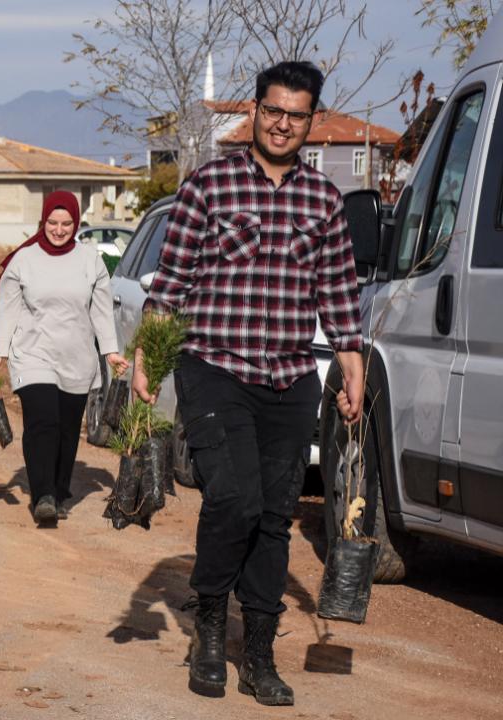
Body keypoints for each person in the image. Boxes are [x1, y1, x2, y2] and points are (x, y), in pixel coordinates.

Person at [135, 61, 364, 707]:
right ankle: (210, 623)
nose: (282, 124)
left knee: (273, 516)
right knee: (233, 497)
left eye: (296, 115)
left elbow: (339, 291)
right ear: (255, 112)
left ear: (310, 121)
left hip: (290, 377)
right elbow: (172, 279)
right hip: (215, 366)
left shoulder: (323, 201)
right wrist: (150, 355)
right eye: (272, 111)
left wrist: (351, 361)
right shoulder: (209, 185)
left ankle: (259, 653)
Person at [0, 191, 129, 524]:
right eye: (52, 222)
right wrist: (1, 351)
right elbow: (8, 308)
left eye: (66, 223)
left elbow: (100, 309)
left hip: (76, 355)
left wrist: (110, 350)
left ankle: (59, 489)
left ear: (76, 223)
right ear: (43, 221)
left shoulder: (89, 259)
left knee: (67, 430)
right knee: (43, 423)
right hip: (33, 354)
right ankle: (43, 496)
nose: (59, 229)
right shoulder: (24, 260)